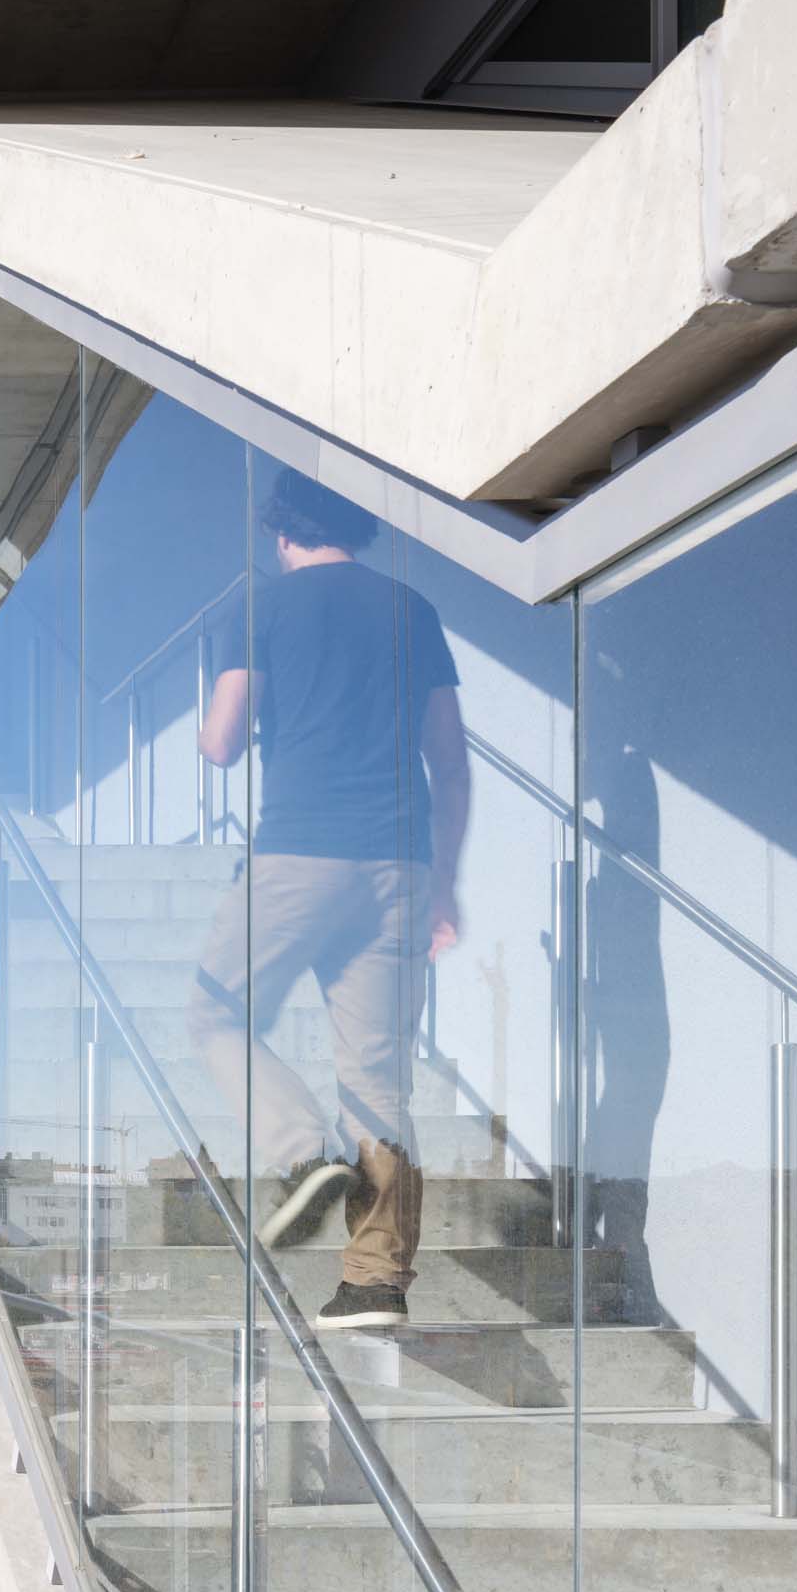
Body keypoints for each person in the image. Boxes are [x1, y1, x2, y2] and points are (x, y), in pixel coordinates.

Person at [188, 473, 469, 1329]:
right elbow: (449, 763)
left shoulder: (260, 608)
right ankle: (375, 1282)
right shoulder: (410, 608)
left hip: (299, 853)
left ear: (280, 534)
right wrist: (443, 885)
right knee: (377, 1080)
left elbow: (220, 744)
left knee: (215, 1013)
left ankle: (302, 1155)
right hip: (399, 865)